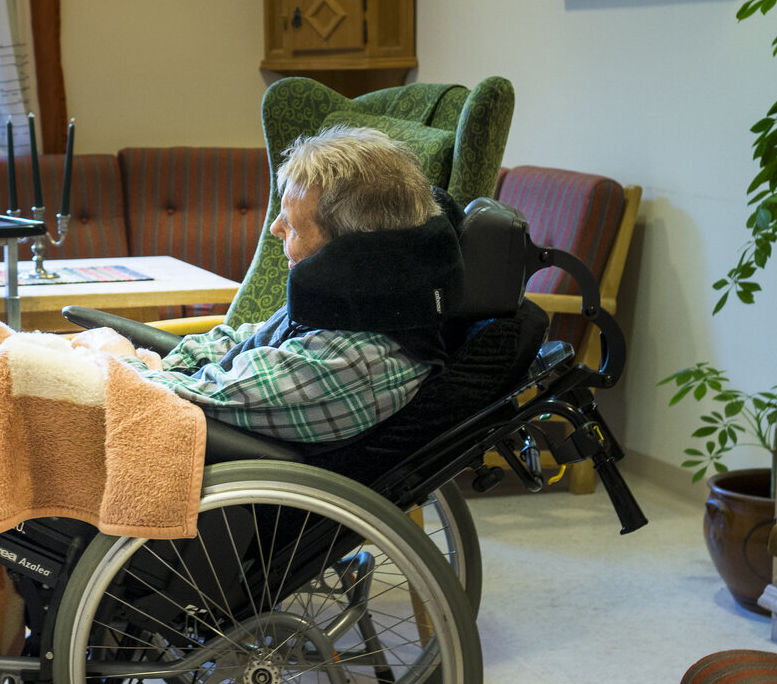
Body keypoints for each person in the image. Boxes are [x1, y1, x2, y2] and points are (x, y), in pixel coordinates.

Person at [70, 125, 483, 446]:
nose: (274, 228)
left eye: (294, 226)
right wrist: (164, 361)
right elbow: (248, 340)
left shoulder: (348, 357)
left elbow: (192, 401)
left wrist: (116, 354)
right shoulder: (357, 307)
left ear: (348, 249)